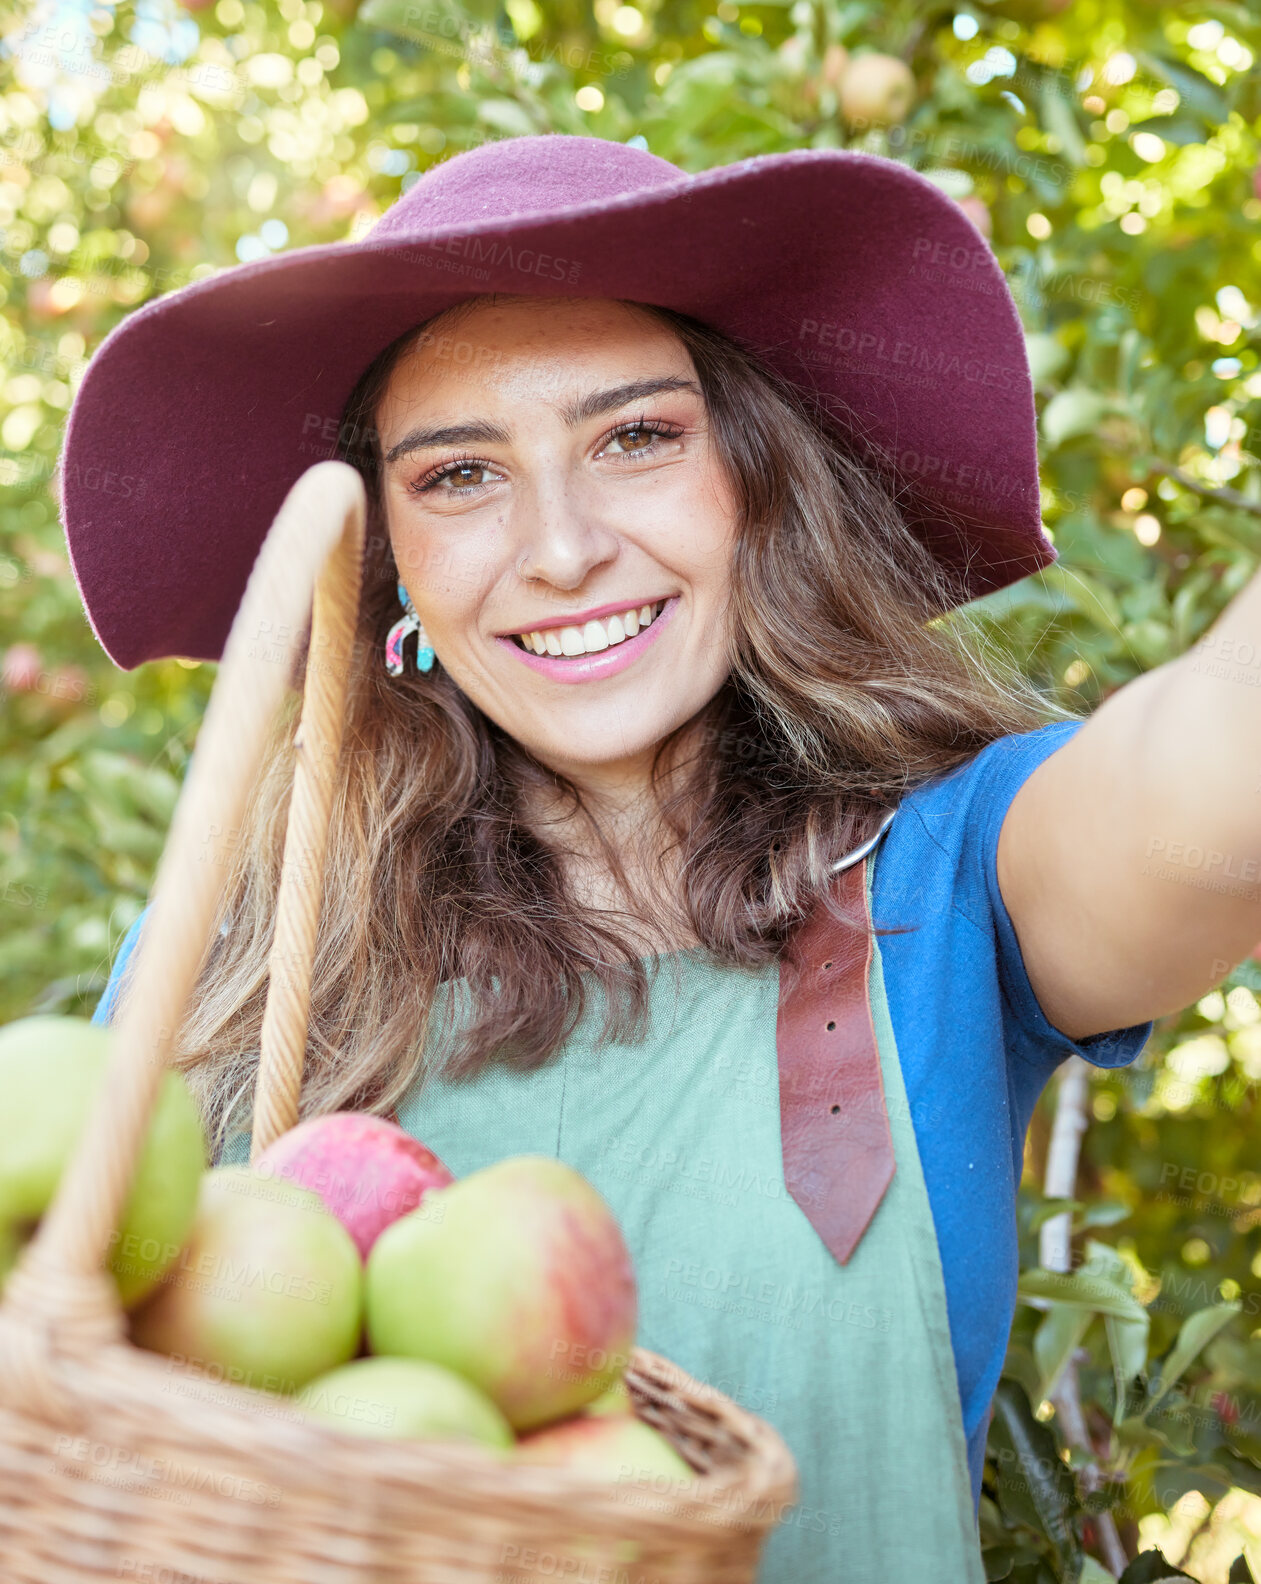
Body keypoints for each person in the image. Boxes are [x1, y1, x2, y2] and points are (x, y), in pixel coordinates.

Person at [72, 134, 1250, 1583]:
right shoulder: (252, 955)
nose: (560, 549)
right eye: (458, 476)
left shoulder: (944, 880)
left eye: (636, 437)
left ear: (755, 483)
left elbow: (1212, 781)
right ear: (390, 563)